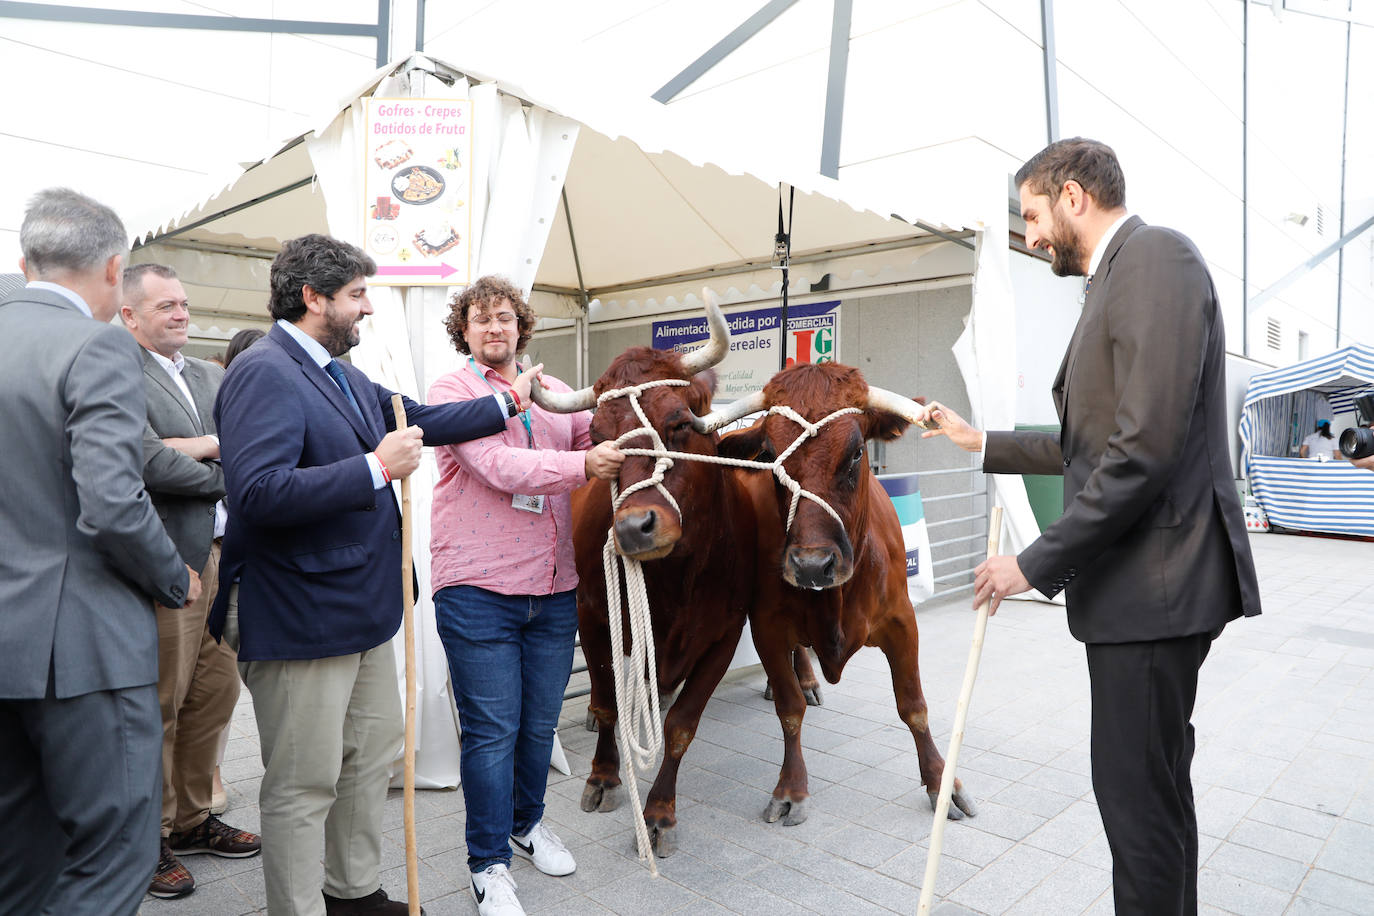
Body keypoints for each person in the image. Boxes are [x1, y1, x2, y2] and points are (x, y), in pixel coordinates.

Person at [917, 138, 1261, 916]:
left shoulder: (1155, 261)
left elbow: (1143, 451)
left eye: (1034, 214)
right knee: (1154, 797)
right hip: (1146, 593)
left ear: (1074, 196)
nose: (1032, 234)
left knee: (1136, 804)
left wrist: (1031, 563)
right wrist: (983, 442)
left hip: (1157, 591)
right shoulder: (1119, 276)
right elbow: (1092, 440)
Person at [210, 234, 539, 916]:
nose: (366, 310)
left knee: (369, 757)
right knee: (305, 782)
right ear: (313, 296)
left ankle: (352, 891)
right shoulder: (264, 370)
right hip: (300, 613)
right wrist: (375, 468)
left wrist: (508, 404)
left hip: (360, 605)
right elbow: (260, 494)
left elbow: (414, 419)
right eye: (357, 295)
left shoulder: (340, 374)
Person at [0, 188, 201, 916]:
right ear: (116, 270)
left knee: (21, 856)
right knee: (116, 852)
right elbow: (113, 502)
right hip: (80, 643)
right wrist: (170, 575)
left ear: (25, 261)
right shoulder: (98, 342)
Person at [428, 276, 623, 916]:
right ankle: (488, 865)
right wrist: (582, 467)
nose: (494, 329)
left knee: (539, 724)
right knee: (491, 732)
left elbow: (598, 442)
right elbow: (497, 467)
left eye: (504, 318)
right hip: (477, 589)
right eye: (480, 320)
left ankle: (527, 823)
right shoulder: (452, 394)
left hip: (554, 587)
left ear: (521, 327)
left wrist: (630, 447)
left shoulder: (559, 394)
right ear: (464, 330)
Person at [120, 263, 262, 900]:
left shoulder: (214, 373)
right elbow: (141, 460)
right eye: (165, 306)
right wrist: (217, 452)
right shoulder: (117, 370)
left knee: (214, 695)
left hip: (228, 556)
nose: (180, 313)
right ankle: (143, 842)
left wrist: (195, 449)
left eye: (183, 303)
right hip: (168, 558)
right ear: (129, 314)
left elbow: (253, 444)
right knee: (160, 703)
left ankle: (193, 819)